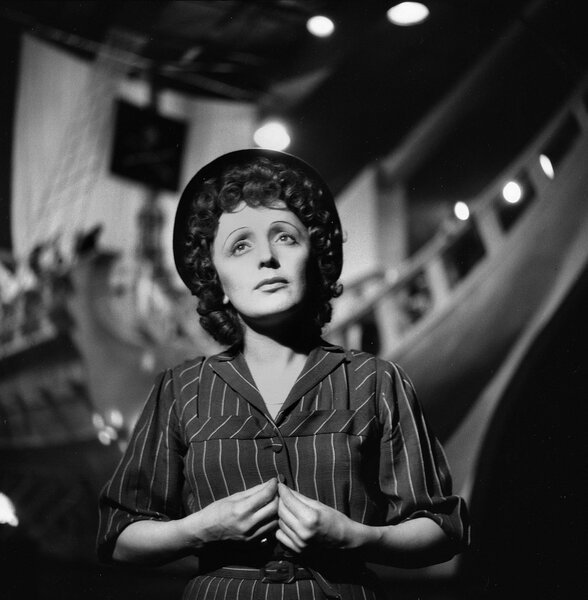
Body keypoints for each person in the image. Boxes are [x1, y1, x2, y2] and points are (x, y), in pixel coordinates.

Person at [97, 149, 469, 599]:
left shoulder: (377, 382)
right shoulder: (181, 390)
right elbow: (118, 536)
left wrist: (356, 536)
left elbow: (443, 528)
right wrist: (201, 530)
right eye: (240, 245)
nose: (268, 257)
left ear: (313, 260)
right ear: (216, 280)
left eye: (286, 238)